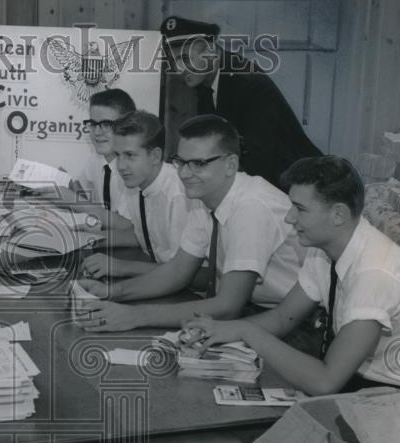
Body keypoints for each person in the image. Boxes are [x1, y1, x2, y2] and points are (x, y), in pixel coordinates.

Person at [181, 156, 400, 396]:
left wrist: (246, 332)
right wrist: (226, 329)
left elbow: (326, 382)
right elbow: (283, 318)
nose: (288, 218)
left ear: (338, 215)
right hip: (373, 379)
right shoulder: (324, 248)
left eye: (299, 209)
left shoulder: (375, 272)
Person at [77, 114, 303, 334]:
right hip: (251, 312)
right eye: (182, 162)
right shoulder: (204, 196)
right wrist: (110, 292)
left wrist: (135, 316)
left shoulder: (251, 206)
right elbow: (176, 272)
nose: (185, 173)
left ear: (231, 165)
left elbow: (228, 306)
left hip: (294, 325)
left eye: (198, 164)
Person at [162, 16, 322, 190]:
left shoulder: (246, 82)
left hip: (300, 184)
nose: (178, 69)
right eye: (174, 60)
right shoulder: (206, 83)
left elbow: (260, 158)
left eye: (185, 58)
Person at [79, 111, 190, 282]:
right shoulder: (137, 182)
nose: (121, 166)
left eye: (130, 155)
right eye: (118, 155)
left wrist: (120, 267)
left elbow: (184, 273)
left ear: (155, 156)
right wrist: (87, 240)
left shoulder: (178, 194)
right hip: (155, 275)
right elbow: (141, 237)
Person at [69, 88, 135, 214]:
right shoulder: (97, 159)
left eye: (106, 124)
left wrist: (72, 199)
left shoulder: (132, 170)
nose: (97, 132)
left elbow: (124, 225)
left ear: (128, 125)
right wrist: (66, 183)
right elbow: (83, 194)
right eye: (93, 124)